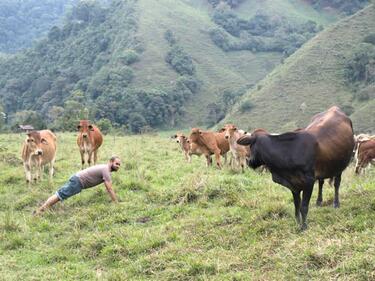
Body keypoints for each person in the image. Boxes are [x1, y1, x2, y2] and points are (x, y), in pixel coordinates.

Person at [34, 156, 121, 215]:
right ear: (110, 162)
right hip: (78, 181)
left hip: (78, 180)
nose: (118, 166)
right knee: (60, 195)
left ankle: (43, 209)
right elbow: (109, 189)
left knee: (60, 194)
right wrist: (116, 203)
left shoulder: (105, 169)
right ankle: (41, 210)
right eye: (116, 164)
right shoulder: (106, 170)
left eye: (119, 165)